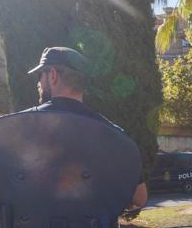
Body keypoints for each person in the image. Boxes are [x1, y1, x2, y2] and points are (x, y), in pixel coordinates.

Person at [26, 46, 148, 210]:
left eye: (41, 75)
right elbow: (140, 198)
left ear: (53, 75)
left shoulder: (17, 127)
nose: (39, 82)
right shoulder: (113, 134)